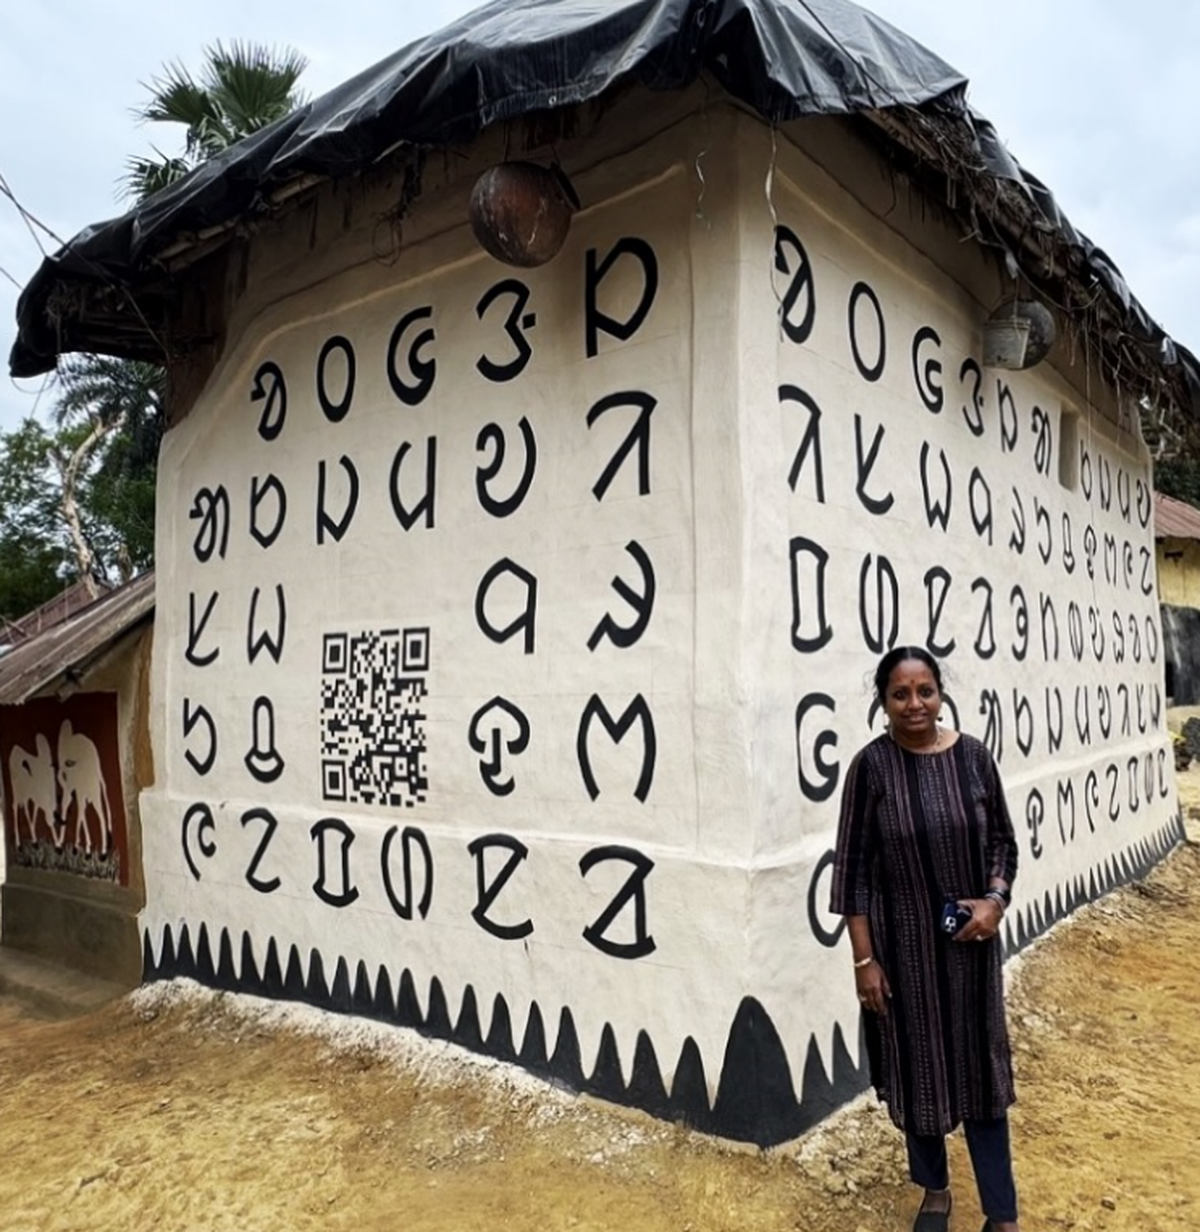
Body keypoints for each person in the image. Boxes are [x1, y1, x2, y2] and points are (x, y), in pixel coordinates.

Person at [830, 646, 1021, 1232]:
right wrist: (865, 960)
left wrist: (993, 901)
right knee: (918, 1073)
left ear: (940, 693)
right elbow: (853, 871)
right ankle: (935, 1192)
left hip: (970, 953)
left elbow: (1003, 845)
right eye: (900, 694)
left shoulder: (974, 758)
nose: (915, 704)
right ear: (883, 702)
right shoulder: (872, 769)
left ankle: (1002, 1213)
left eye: (925, 691)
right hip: (902, 955)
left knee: (982, 1074)